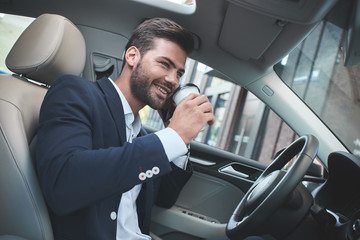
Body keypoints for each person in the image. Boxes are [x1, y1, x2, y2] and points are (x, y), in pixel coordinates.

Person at [36, 18, 215, 240]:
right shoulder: (76, 91)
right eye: (164, 64)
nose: (173, 80)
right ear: (132, 56)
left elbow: (164, 198)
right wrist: (173, 136)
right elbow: (63, 183)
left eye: (179, 73)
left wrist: (181, 140)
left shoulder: (139, 133)